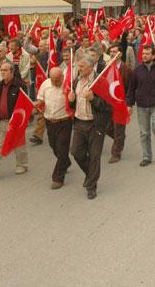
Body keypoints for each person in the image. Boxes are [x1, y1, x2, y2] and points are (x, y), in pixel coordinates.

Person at [69, 54, 112, 199]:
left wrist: (94, 99)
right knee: (76, 152)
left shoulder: (101, 82)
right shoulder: (76, 82)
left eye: (81, 66)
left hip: (95, 124)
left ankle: (91, 186)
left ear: (90, 67)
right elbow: (74, 105)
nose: (78, 69)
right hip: (80, 122)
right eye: (78, 66)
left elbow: (108, 106)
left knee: (94, 156)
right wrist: (71, 101)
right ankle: (90, 174)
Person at [127, 45, 155, 166]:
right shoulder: (137, 71)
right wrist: (129, 104)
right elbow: (131, 89)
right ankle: (147, 156)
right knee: (144, 132)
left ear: (153, 55)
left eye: (147, 54)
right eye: (143, 54)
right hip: (142, 105)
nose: (144, 56)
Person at [0, 61, 28, 179]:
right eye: (1, 70)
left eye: (5, 70)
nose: (2, 72)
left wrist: (19, 120)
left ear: (12, 72)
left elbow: (24, 104)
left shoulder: (20, 86)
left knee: (18, 144)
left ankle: (22, 165)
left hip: (15, 122)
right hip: (0, 121)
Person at [35, 67, 73, 189]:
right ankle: (65, 162)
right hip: (50, 121)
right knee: (54, 146)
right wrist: (38, 103)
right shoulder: (45, 84)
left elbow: (74, 103)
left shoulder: (69, 85)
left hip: (64, 121)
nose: (55, 82)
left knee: (62, 149)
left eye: (57, 80)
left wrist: (72, 98)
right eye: (53, 80)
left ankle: (58, 178)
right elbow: (40, 99)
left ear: (62, 76)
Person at [105, 43, 132, 163]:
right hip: (108, 103)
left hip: (121, 104)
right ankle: (119, 138)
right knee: (107, 127)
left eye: (115, 52)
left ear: (120, 54)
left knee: (119, 128)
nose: (112, 54)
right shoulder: (106, 67)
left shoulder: (126, 70)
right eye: (111, 52)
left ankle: (116, 153)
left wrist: (129, 104)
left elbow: (131, 88)